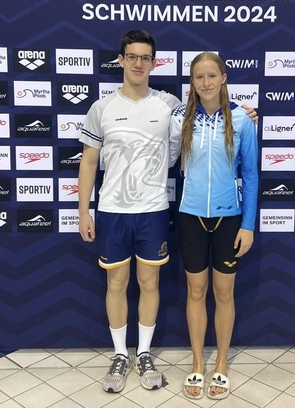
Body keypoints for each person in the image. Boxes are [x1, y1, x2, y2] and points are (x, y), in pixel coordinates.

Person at [77, 31, 257, 393]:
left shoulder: (170, 106)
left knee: (150, 283)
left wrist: (244, 113)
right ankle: (119, 355)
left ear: (154, 63)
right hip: (113, 210)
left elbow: (241, 158)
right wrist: (84, 210)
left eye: (145, 57)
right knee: (117, 283)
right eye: (132, 56)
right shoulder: (102, 107)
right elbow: (89, 161)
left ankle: (144, 353)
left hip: (156, 210)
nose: (139, 63)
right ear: (121, 60)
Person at [170, 52, 258, 400]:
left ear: (223, 77)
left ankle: (220, 363)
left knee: (224, 294)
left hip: (228, 219)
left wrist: (248, 225)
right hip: (190, 217)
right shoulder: (179, 118)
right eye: (198, 77)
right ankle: (197, 363)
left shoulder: (242, 120)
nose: (205, 83)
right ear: (191, 82)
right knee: (195, 292)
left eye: (211, 76)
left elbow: (250, 175)